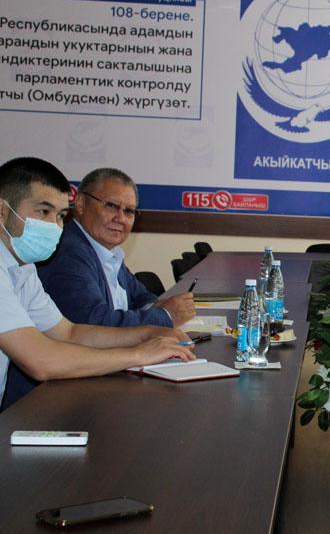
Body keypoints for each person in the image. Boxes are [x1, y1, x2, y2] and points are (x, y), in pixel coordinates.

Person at [0, 157, 194, 411]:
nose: (54, 226)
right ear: (2, 211)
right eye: (43, 212)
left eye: (60, 215)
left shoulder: (23, 269)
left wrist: (148, 334)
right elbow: (40, 360)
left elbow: (70, 333)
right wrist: (139, 354)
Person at [39, 167, 195, 328]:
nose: (120, 218)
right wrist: (166, 316)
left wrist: (158, 308)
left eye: (129, 211)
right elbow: (94, 323)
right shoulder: (66, 252)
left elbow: (141, 297)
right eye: (111, 206)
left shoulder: (107, 251)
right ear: (81, 204)